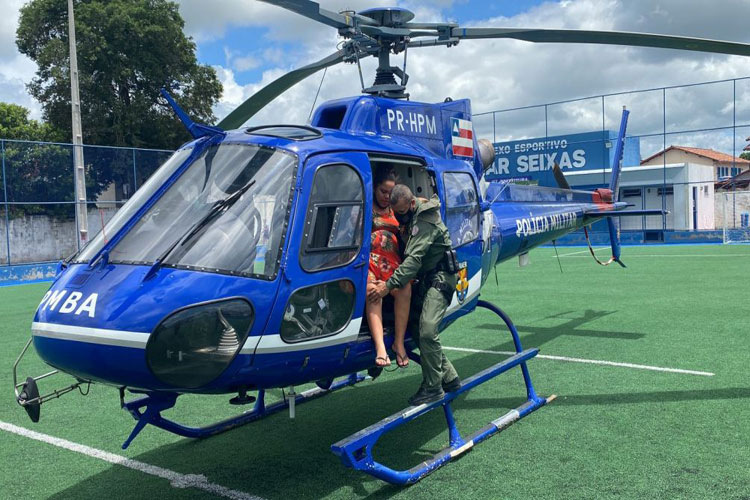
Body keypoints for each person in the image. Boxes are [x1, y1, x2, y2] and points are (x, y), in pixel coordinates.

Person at [368, 185, 461, 405]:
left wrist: (387, 286)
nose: (399, 217)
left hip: (441, 277)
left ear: (411, 204)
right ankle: (449, 377)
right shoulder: (409, 212)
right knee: (416, 326)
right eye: (396, 213)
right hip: (426, 279)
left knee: (427, 329)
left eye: (401, 213)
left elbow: (413, 261)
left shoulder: (424, 220)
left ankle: (433, 387)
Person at [366, 170, 412, 368]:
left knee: (404, 289)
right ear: (375, 188)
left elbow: (417, 201)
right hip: (369, 261)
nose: (387, 196)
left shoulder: (398, 208)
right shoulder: (366, 206)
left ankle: (398, 343)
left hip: (391, 262)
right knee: (372, 291)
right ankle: (380, 348)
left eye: (390, 192)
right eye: (383, 191)